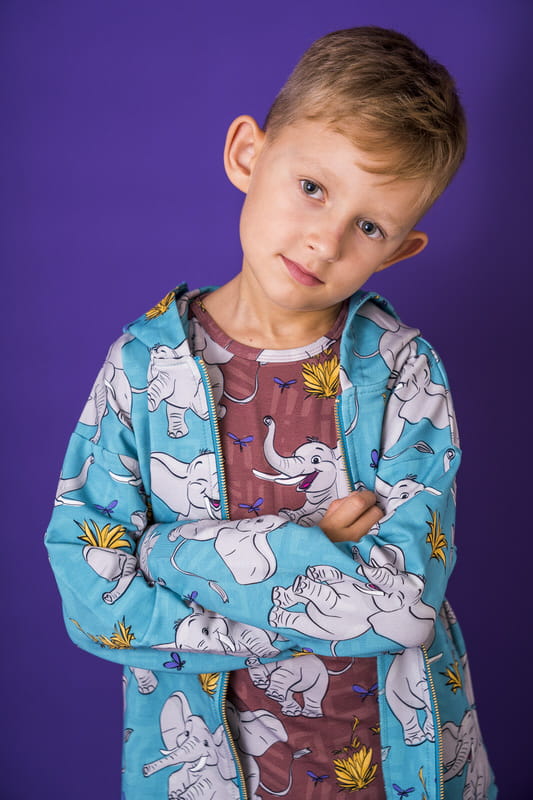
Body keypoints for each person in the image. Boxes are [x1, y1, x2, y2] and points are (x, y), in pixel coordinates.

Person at [45, 26, 496, 800]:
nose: (324, 240)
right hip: (205, 777)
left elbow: (404, 607)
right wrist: (311, 543)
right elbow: (92, 599)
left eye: (368, 227)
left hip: (393, 771)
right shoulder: (141, 369)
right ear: (247, 155)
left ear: (397, 250)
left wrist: (164, 555)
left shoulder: (404, 372)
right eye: (312, 187)